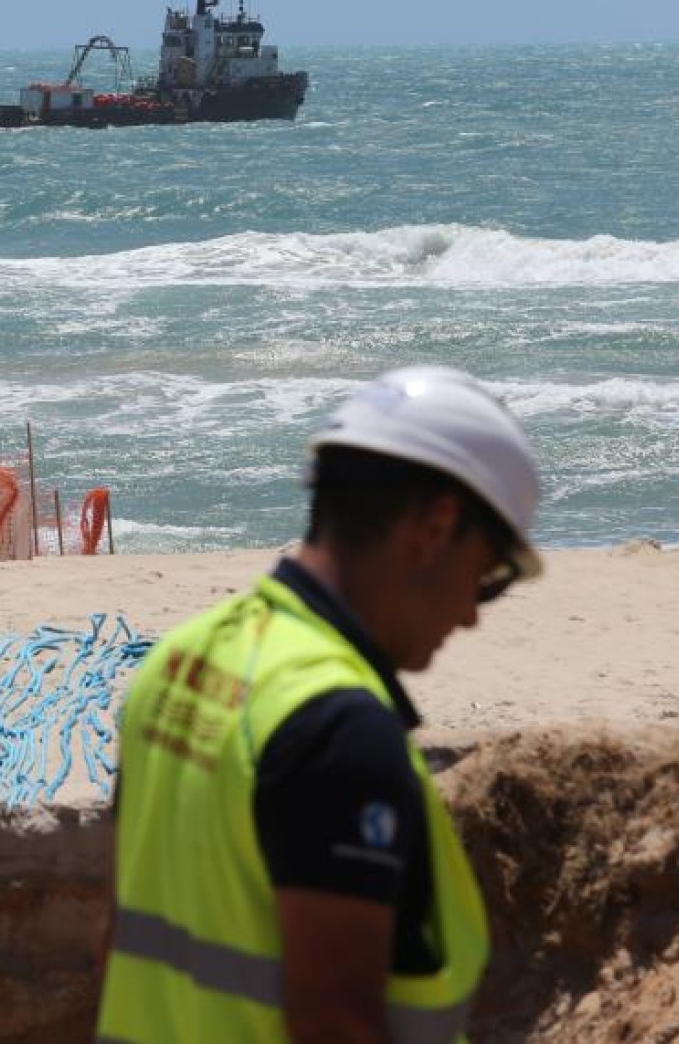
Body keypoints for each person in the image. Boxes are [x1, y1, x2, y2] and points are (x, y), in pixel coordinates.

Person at [96, 367, 542, 1043]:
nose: (470, 615)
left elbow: (121, 934)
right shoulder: (339, 731)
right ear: (434, 526)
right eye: (486, 578)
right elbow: (336, 1022)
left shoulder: (178, 663)